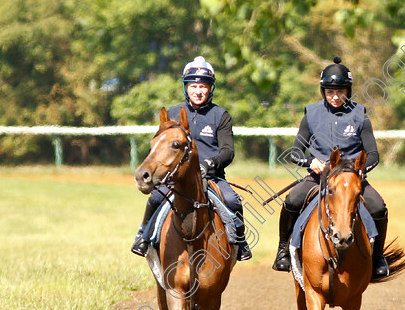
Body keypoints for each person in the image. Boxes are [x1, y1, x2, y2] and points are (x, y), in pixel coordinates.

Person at [271, 56, 389, 279]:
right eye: (330, 92)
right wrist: (310, 162)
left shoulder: (360, 115)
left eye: (340, 91)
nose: (335, 97)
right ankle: (283, 250)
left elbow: (373, 153)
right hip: (318, 178)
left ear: (348, 90)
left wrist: (361, 170)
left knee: (379, 208)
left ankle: (379, 257)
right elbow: (296, 152)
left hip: (351, 179)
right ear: (323, 91)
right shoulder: (311, 114)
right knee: (292, 201)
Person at [131, 56, 252, 261]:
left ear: (210, 88)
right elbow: (160, 144)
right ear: (186, 88)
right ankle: (143, 235)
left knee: (232, 200)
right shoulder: (173, 113)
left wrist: (208, 164)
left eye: (203, 86)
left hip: (212, 176)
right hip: (176, 176)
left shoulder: (220, 115)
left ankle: (239, 241)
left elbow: (227, 151)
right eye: (193, 86)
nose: (198, 91)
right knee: (155, 197)